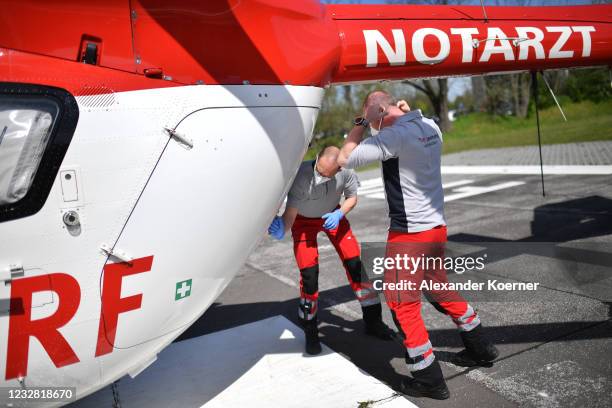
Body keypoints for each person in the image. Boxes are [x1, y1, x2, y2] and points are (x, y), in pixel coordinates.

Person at [337, 91, 499, 400]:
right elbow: (403, 122)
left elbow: (345, 158)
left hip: (409, 235)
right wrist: (388, 113)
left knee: (402, 304)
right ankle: (481, 347)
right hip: (436, 229)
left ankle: (428, 378)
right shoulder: (429, 126)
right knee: (439, 289)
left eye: (372, 113)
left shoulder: (393, 137)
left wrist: (361, 120)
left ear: (380, 111)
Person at [268, 146, 393, 355]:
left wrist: (340, 214)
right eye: (319, 171)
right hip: (303, 220)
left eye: (327, 175)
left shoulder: (347, 171)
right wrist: (283, 227)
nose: (320, 177)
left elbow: (352, 198)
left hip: (333, 216)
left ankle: (374, 321)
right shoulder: (301, 176)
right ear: (317, 159)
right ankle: (311, 330)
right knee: (309, 275)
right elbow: (290, 214)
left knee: (355, 265)